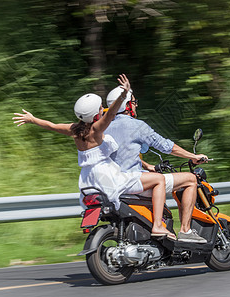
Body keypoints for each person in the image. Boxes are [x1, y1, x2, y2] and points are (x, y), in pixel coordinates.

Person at [12, 74, 176, 240]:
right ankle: (157, 225)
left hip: (87, 179)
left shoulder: (74, 130)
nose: (102, 109)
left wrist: (32, 119)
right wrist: (122, 95)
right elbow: (111, 113)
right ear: (95, 115)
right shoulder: (96, 130)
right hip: (107, 176)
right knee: (158, 179)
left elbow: (52, 126)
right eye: (100, 108)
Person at [105, 84, 208, 243]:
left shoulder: (103, 128)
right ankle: (185, 230)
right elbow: (166, 146)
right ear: (127, 105)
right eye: (133, 101)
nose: (136, 104)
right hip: (133, 184)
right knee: (190, 179)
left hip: (111, 183)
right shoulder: (137, 125)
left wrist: (147, 166)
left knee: (154, 177)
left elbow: (119, 155)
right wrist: (193, 156)